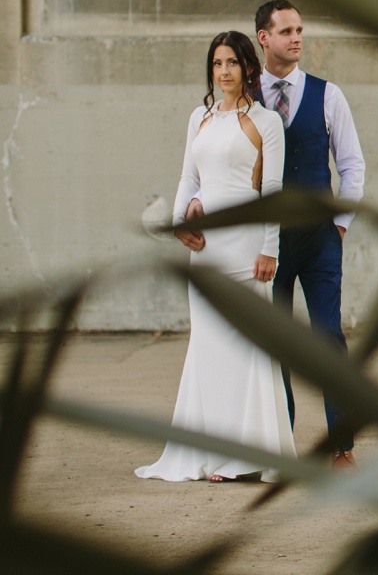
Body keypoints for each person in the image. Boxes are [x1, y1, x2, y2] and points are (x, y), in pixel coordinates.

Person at [189, 0, 366, 469]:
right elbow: (215, 164)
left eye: (300, 30)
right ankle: (281, 444)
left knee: (328, 338)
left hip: (320, 240)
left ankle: (341, 445)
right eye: (286, 31)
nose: (297, 38)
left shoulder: (329, 95)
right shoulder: (243, 103)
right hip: (264, 243)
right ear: (263, 38)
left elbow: (351, 165)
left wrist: (341, 226)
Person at [137, 31, 295, 483]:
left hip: (246, 248)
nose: (224, 71)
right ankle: (209, 449)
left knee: (246, 347)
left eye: (232, 63)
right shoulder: (199, 118)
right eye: (217, 63)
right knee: (209, 347)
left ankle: (246, 456)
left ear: (249, 67)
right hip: (205, 251)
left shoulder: (266, 122)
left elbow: (272, 192)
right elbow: (188, 177)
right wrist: (179, 220)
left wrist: (270, 249)